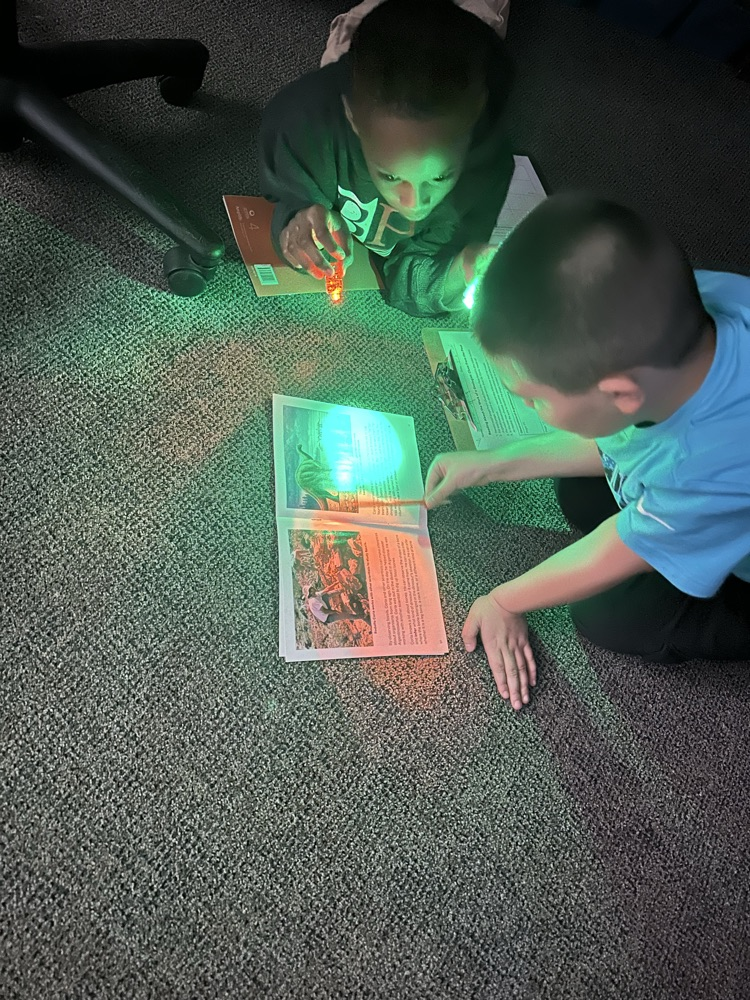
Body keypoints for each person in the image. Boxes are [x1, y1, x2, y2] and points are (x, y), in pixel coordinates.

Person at [424, 192, 750, 709]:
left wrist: (504, 599)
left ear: (620, 393)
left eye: (533, 399)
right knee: (579, 494)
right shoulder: (681, 310)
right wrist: (487, 466)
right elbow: (619, 437)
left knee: (608, 615)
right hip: (699, 481)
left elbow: (618, 550)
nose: (527, 408)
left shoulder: (705, 467)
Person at [258, 0, 514, 317]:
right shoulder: (311, 125)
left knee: (481, 20)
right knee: (361, 32)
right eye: (390, 176)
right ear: (353, 119)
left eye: (440, 176)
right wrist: (296, 218)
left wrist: (462, 268)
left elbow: (419, 277)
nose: (414, 204)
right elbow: (290, 195)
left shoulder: (484, 173)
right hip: (349, 71)